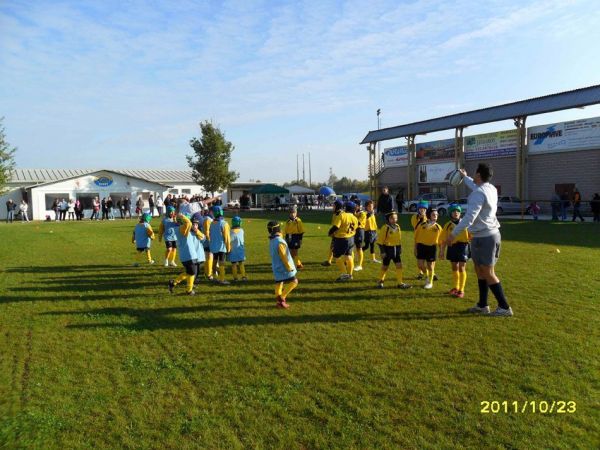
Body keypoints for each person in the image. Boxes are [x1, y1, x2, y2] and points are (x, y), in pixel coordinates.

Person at [445, 164, 514, 317]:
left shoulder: (478, 193)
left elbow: (469, 217)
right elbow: (474, 185)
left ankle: (504, 307)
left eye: (474, 174)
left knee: (488, 272)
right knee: (479, 270)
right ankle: (483, 305)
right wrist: (464, 177)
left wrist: (453, 234)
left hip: (486, 237)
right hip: (482, 236)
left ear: (478, 175)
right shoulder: (490, 188)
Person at [440, 204, 470, 298]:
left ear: (460, 213)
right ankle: (456, 287)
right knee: (454, 267)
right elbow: (444, 240)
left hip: (463, 246)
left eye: (458, 211)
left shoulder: (465, 224)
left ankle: (461, 289)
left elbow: (472, 236)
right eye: (454, 211)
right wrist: (441, 251)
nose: (456, 213)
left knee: (462, 267)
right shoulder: (447, 225)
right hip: (452, 247)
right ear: (450, 213)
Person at [376, 210, 411, 289]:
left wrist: (400, 247)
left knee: (399, 266)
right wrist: (382, 252)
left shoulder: (398, 227)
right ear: (388, 219)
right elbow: (380, 241)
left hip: (396, 249)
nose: (394, 220)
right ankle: (380, 281)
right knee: (385, 266)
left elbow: (399, 239)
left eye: (395, 218)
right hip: (388, 250)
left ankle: (400, 283)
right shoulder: (385, 228)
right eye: (392, 218)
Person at [267, 220, 298, 309]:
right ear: (278, 229)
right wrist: (289, 268)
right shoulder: (280, 241)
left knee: (279, 283)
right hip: (283, 267)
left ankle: (279, 302)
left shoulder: (272, 240)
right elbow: (284, 256)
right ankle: (282, 297)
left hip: (276, 266)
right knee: (294, 282)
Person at [168, 213, 199, 295]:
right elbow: (189, 223)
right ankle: (188, 290)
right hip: (188, 255)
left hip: (190, 254)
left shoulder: (179, 228)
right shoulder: (182, 228)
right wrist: (182, 216)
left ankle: (175, 283)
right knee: (191, 273)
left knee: (190, 273)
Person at [329, 201, 358, 282]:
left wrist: (330, 232)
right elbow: (356, 227)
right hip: (351, 238)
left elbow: (336, 226)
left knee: (336, 256)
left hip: (341, 238)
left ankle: (344, 274)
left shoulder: (342, 215)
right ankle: (350, 274)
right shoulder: (355, 218)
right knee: (348, 256)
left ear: (346, 208)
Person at [414, 206, 442, 289]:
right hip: (421, 247)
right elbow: (416, 238)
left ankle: (430, 282)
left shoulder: (438, 227)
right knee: (420, 265)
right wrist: (415, 248)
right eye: (433, 215)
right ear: (429, 215)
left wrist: (441, 251)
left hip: (432, 248)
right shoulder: (421, 225)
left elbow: (441, 241)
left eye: (436, 215)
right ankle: (427, 276)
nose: (436, 216)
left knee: (430, 266)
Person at [208, 205, 231, 285]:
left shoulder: (212, 223)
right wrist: (228, 248)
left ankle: (214, 277)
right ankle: (222, 279)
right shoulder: (224, 223)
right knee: (221, 263)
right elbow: (227, 237)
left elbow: (210, 234)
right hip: (221, 246)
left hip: (213, 246)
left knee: (214, 261)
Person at [322, 199, 344, 266]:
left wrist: (331, 232)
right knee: (332, 247)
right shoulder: (335, 214)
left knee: (343, 250)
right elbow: (334, 224)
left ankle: (346, 261)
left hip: (341, 235)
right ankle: (329, 261)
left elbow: (338, 226)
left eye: (334, 206)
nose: (332, 207)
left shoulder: (341, 214)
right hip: (335, 234)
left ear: (338, 206)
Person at [411, 201, 429, 279]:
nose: (422, 210)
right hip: (418, 239)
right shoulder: (414, 217)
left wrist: (424, 218)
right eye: (421, 209)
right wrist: (421, 220)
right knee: (418, 256)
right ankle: (420, 272)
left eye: (424, 209)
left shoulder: (429, 217)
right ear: (418, 209)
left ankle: (431, 273)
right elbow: (416, 227)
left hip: (427, 239)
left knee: (427, 258)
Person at [284, 205, 305, 270]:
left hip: (296, 237)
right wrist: (286, 239)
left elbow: (301, 231)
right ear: (289, 214)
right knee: (290, 252)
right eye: (291, 213)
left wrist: (300, 239)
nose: (292, 214)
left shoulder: (298, 221)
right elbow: (286, 231)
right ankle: (295, 264)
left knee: (295, 251)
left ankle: (296, 264)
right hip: (289, 237)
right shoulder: (287, 222)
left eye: (294, 213)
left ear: (296, 213)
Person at [228, 216, 247, 282]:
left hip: (233, 250)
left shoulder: (230, 231)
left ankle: (235, 278)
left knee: (234, 264)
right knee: (241, 263)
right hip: (240, 249)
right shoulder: (241, 230)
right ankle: (243, 276)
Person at [190, 213, 207, 285]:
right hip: (192, 255)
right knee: (194, 270)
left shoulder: (199, 233)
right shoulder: (189, 233)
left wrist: (197, 232)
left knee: (198, 269)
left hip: (199, 254)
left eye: (196, 225)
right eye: (193, 224)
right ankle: (192, 282)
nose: (195, 226)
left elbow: (203, 239)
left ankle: (195, 280)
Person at [353, 200, 366, 271]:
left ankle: (360, 265)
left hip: (359, 231)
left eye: (355, 205)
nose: (354, 206)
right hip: (353, 231)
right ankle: (349, 261)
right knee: (351, 247)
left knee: (359, 248)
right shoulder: (354, 212)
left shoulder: (362, 213)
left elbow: (358, 223)